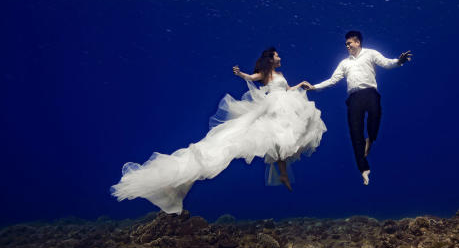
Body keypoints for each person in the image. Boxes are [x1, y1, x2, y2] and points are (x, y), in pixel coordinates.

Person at [111, 47, 326, 214]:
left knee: (286, 140)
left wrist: (300, 86)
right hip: (272, 108)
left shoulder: (280, 75)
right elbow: (251, 78)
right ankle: (283, 174)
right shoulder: (265, 73)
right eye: (277, 56)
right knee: (266, 139)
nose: (280, 58)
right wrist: (240, 73)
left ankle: (283, 174)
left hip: (285, 106)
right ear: (270, 59)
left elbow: (285, 89)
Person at [304, 31, 411, 185]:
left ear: (358, 42)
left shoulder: (370, 53)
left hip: (370, 92)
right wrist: (314, 87)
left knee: (375, 115)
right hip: (354, 98)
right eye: (346, 44)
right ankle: (364, 169)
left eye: (350, 43)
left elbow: (387, 63)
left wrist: (399, 61)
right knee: (355, 133)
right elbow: (333, 80)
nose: (347, 46)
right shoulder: (344, 63)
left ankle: (371, 139)